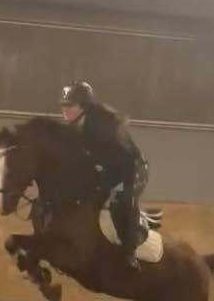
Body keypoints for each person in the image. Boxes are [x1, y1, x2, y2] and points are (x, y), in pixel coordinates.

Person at [60, 80, 148, 270]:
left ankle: (130, 252)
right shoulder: (75, 126)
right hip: (110, 169)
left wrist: (105, 185)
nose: (64, 110)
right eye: (63, 105)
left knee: (120, 202)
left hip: (133, 169)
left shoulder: (100, 127)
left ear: (83, 107)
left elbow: (120, 162)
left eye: (69, 105)